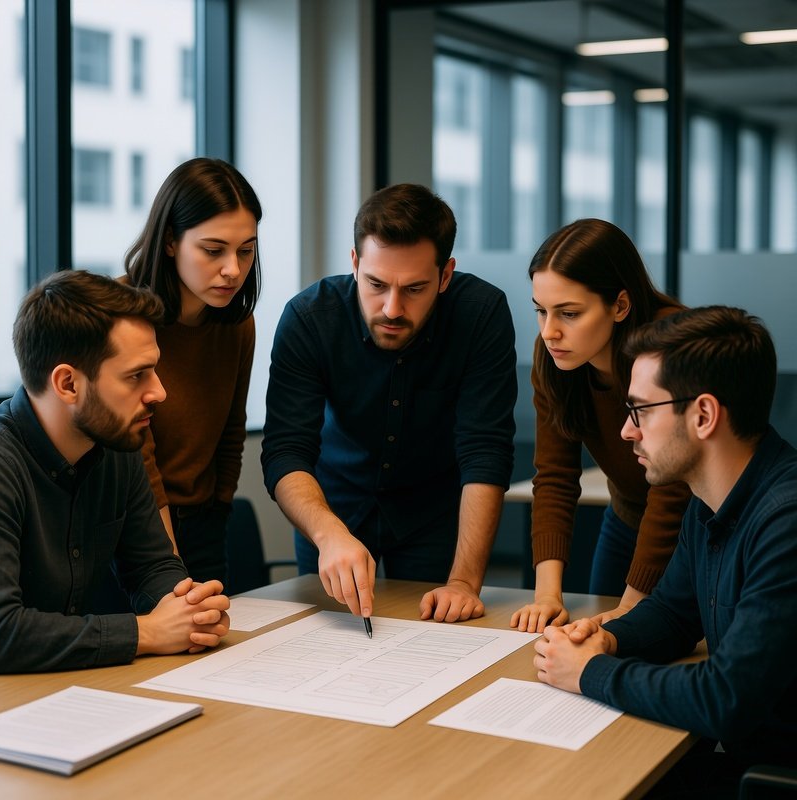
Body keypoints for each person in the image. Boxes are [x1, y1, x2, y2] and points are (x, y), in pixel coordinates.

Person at [533, 306, 797, 791]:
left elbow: (725, 698)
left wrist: (591, 671)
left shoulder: (785, 521)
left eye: (640, 411)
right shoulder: (711, 495)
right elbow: (675, 614)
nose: (626, 431)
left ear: (703, 415)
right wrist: (604, 638)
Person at [261, 183, 517, 623]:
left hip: (432, 511)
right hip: (331, 508)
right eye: (376, 284)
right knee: (327, 642)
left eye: (415, 289)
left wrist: (463, 582)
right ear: (355, 262)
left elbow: (485, 451)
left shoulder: (480, 314)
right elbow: (286, 451)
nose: (392, 308)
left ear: (446, 275)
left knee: (438, 634)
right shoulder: (309, 318)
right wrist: (328, 534)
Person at [0, 270, 230, 673]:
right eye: (136, 375)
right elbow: (2, 631)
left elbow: (152, 566)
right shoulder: (4, 465)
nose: (159, 391)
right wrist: (149, 632)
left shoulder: (117, 443)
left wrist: (189, 611)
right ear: (68, 383)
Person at [511, 219, 691, 633]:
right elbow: (555, 475)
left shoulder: (672, 347)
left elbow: (673, 489)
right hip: (627, 514)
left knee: (645, 641)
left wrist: (631, 607)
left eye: (569, 313)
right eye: (541, 311)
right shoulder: (554, 355)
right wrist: (546, 598)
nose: (549, 331)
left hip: (692, 529)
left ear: (620, 306)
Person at [126, 157, 262, 586]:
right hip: (132, 525)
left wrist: (219, 507)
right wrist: (169, 564)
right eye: (213, 250)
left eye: (246, 250)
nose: (233, 270)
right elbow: (138, 454)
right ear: (170, 241)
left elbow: (231, 430)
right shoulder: (121, 316)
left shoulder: (236, 324)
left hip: (205, 522)